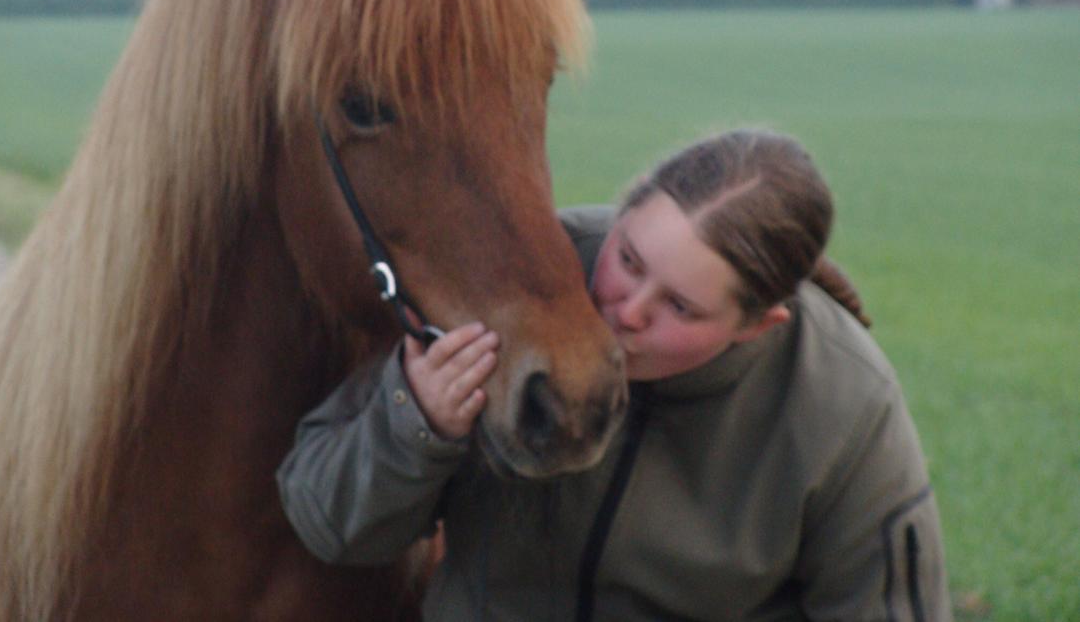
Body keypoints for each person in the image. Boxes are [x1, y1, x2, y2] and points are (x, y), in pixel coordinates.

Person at [277, 128, 951, 621]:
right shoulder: (512, 288)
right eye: (628, 260)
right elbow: (324, 520)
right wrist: (415, 424)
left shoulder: (842, 402)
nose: (628, 311)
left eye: (679, 307)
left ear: (755, 326)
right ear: (623, 214)